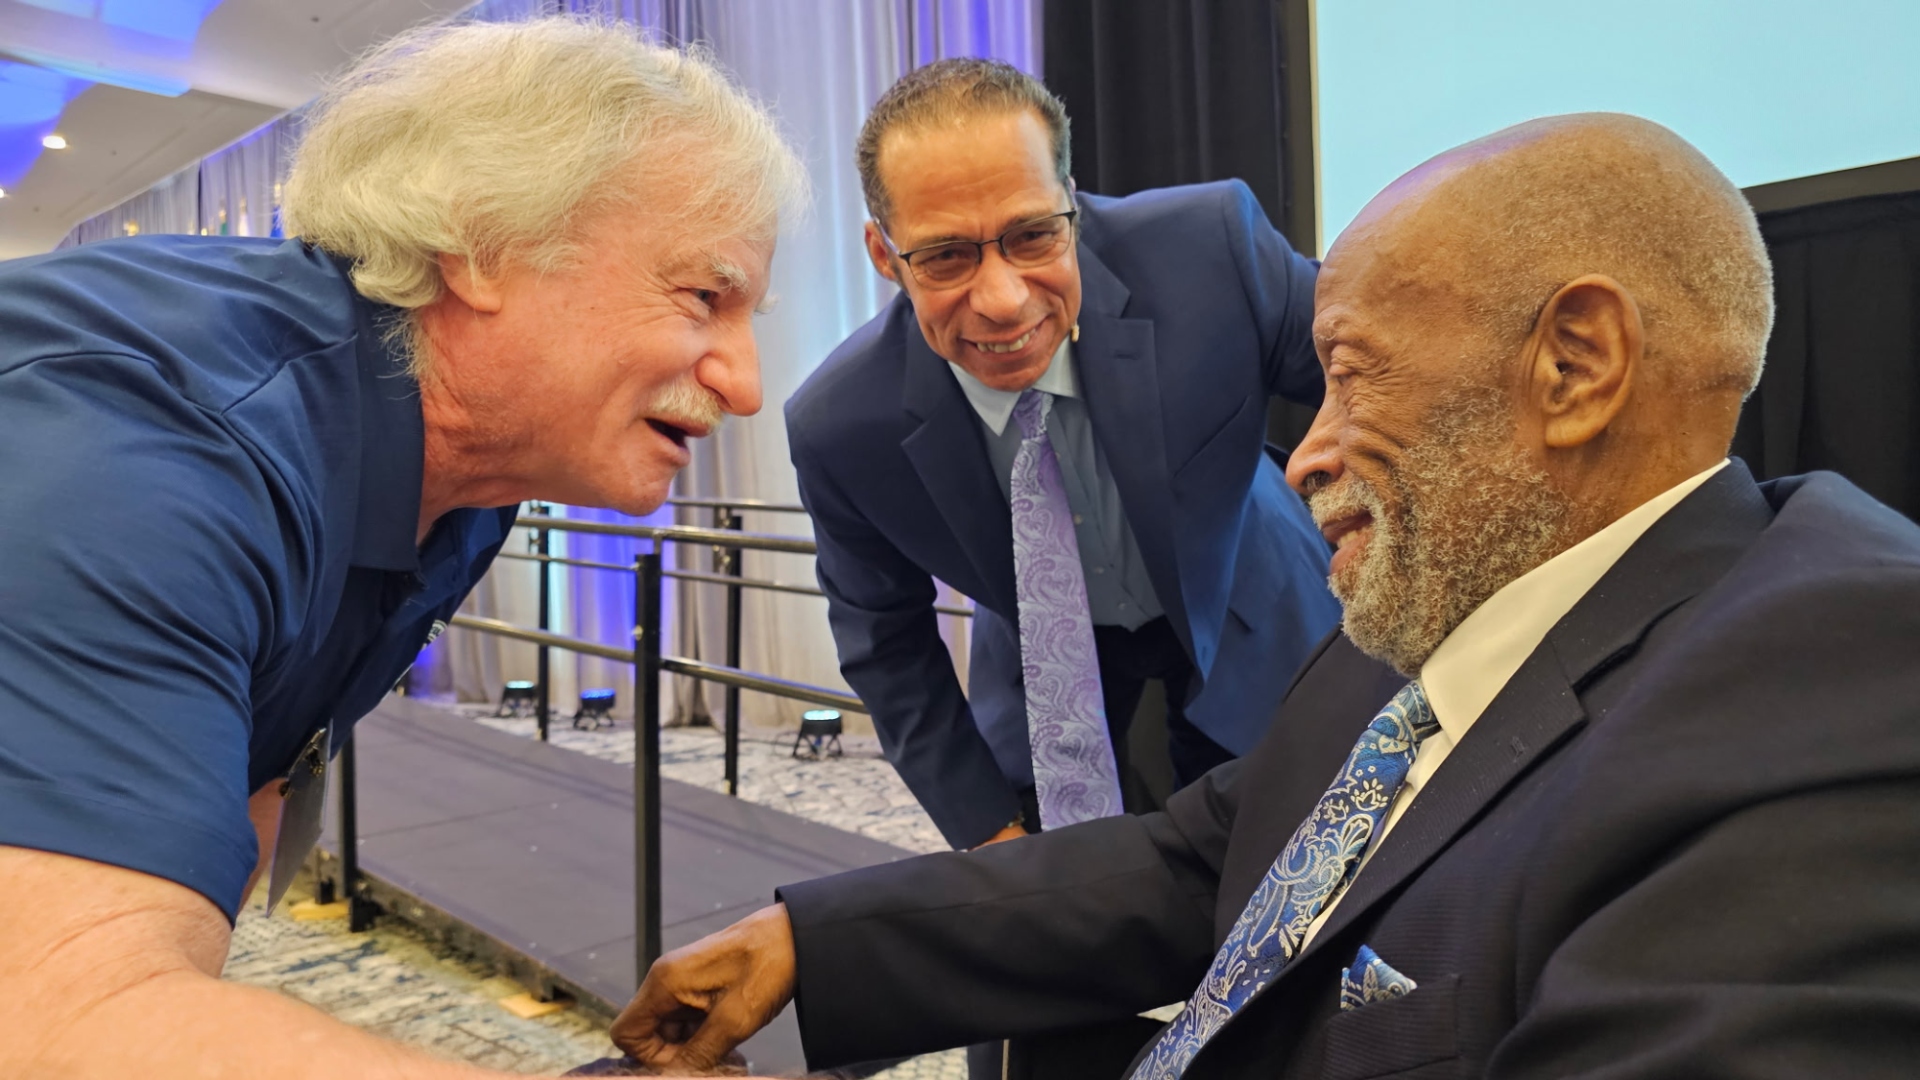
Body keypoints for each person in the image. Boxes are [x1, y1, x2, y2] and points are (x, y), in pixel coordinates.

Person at [611, 113, 1920, 1078]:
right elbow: (1202, 864)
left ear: (1575, 364)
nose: (1300, 453)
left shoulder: (1843, 684)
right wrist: (810, 941)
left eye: (1351, 374)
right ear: (886, 259)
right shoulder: (1412, 645)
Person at [0, 18, 804, 1078]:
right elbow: (60, 1025)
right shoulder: (142, 453)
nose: (745, 383)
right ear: (480, 248)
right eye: (705, 296)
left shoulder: (468, 482)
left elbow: (238, 798)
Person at [785, 59, 1341, 855]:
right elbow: (887, 642)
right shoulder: (841, 428)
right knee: (1064, 902)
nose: (1004, 300)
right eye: (945, 257)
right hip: (1046, 660)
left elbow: (1382, 381)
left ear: (1071, 204)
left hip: (1252, 596)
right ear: (884, 255)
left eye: (1033, 235)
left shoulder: (1210, 249)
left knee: (1296, 872)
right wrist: (989, 833)